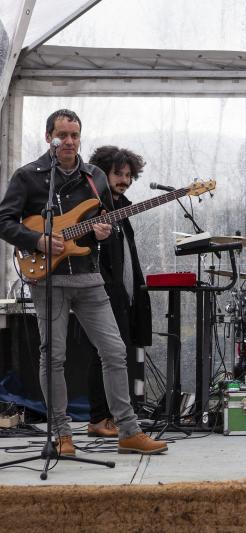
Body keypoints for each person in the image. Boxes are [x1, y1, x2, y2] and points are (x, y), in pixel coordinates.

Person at [0, 109, 167, 455]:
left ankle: (128, 431)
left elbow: (102, 224)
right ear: (49, 137)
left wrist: (103, 232)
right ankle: (62, 435)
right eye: (63, 135)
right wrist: (37, 241)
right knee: (54, 355)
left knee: (115, 350)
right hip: (49, 278)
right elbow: (4, 222)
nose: (70, 142)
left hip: (90, 276)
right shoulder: (28, 177)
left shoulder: (95, 178)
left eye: (75, 135)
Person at [80, 146, 152, 438]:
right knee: (104, 354)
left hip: (123, 295)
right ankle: (99, 418)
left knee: (115, 354)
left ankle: (112, 416)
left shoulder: (122, 212)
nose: (124, 180)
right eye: (117, 174)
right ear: (102, 173)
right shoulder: (91, 208)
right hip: (101, 294)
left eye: (128, 175)